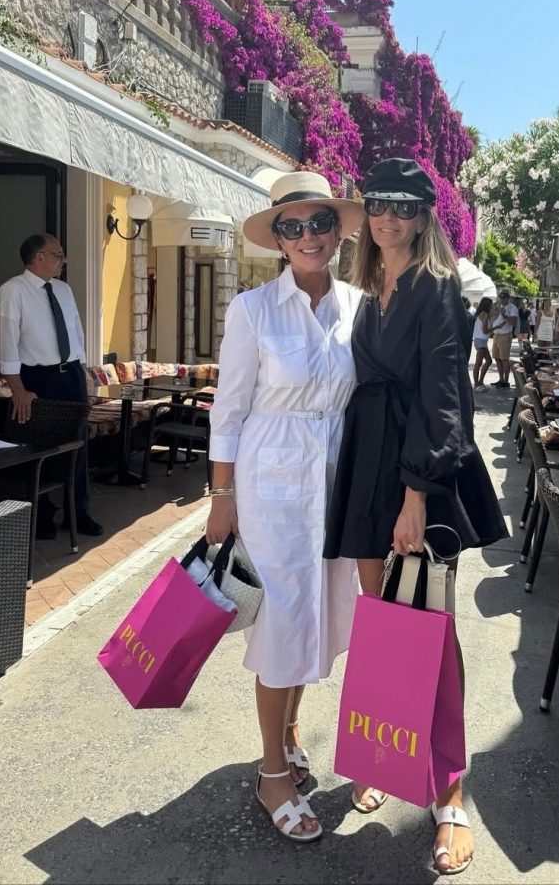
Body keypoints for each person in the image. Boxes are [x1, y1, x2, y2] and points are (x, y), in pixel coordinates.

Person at [325, 158, 507, 876]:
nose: (387, 217)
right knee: (384, 622)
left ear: (424, 215)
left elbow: (444, 399)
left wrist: (416, 493)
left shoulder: (438, 290)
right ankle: (387, 750)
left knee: (429, 630)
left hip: (413, 475)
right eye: (378, 205)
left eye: (403, 206)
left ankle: (451, 791)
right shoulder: (373, 288)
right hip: (367, 464)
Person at [205, 171, 365, 844]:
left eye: (319, 222)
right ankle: (271, 769)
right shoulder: (252, 311)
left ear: (336, 229)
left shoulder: (359, 307)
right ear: (277, 238)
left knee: (318, 617)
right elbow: (230, 409)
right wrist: (222, 495)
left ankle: (292, 732)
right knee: (280, 622)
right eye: (293, 226)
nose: (308, 236)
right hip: (271, 484)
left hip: (335, 485)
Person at [0, 234, 103, 539]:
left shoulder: (63, 290)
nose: (63, 260)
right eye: (58, 255)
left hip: (70, 376)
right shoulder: (13, 290)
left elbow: (75, 331)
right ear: (38, 257)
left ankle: (78, 513)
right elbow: (7, 343)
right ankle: (41, 515)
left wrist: (83, 370)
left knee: (78, 446)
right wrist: (18, 389)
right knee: (39, 446)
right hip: (38, 378)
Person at [489, 288, 517, 388]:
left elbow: (513, 322)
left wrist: (504, 314)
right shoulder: (498, 306)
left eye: (504, 297)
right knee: (497, 358)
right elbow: (490, 318)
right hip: (496, 335)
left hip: (505, 335)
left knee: (504, 359)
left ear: (508, 298)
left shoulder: (512, 308)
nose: (501, 299)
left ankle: (506, 380)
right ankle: (500, 379)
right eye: (500, 296)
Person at [472, 296, 493, 391]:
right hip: (481, 340)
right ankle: (477, 384)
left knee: (487, 361)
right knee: (480, 363)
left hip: (480, 340)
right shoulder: (485, 315)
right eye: (491, 305)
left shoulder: (479, 313)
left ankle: (479, 382)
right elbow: (485, 330)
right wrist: (496, 327)